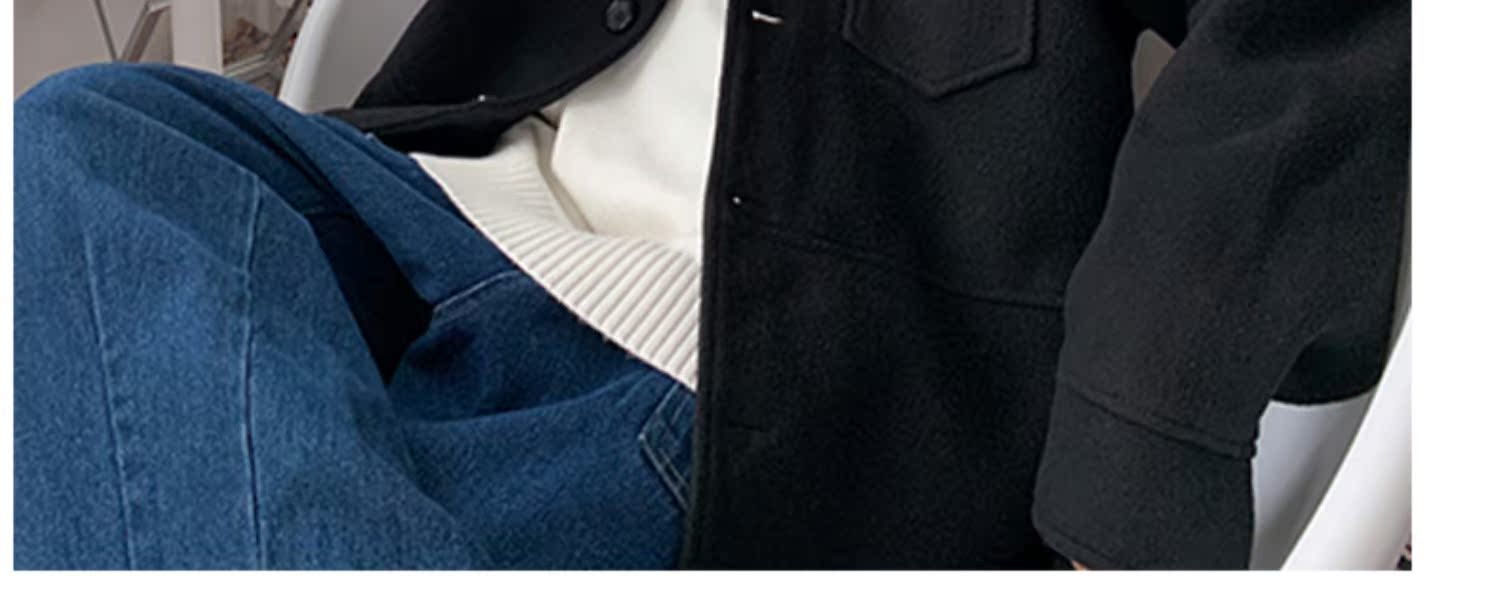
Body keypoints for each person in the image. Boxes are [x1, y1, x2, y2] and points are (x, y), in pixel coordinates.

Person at [13, 0, 1411, 569]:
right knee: (87, 134)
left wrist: (1128, 491)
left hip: (713, 370)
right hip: (437, 210)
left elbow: (1318, 41)